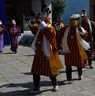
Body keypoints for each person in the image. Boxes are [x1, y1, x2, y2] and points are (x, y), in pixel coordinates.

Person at [31, 8, 63, 93]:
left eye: (43, 14)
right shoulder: (40, 25)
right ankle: (36, 88)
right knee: (35, 70)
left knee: (51, 70)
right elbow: (35, 31)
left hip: (48, 52)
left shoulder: (50, 26)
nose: (41, 15)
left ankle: (55, 84)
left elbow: (51, 35)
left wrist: (42, 24)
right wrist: (32, 23)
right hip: (39, 52)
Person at [61, 14, 89, 83]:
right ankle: (69, 79)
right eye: (71, 20)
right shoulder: (67, 27)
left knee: (79, 63)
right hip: (68, 49)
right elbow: (59, 32)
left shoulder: (79, 28)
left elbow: (85, 36)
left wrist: (81, 31)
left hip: (77, 49)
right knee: (68, 64)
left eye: (74, 20)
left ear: (77, 21)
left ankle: (80, 75)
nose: (72, 21)